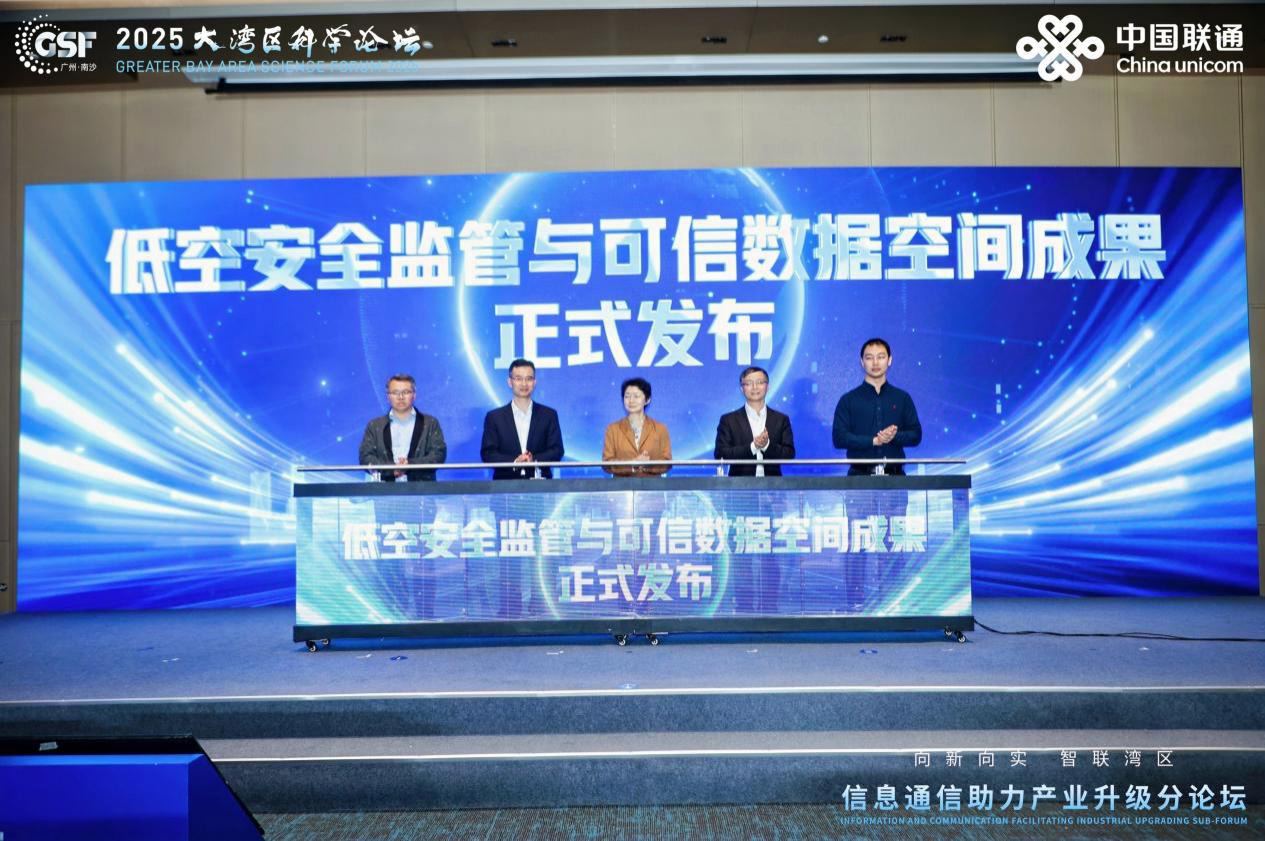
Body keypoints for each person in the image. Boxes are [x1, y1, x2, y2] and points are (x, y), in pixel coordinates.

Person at [832, 338, 922, 475]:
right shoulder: (848, 400)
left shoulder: (902, 398)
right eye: (869, 358)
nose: (875, 363)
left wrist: (894, 436)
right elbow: (839, 438)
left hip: (896, 478)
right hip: (859, 478)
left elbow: (916, 435)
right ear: (862, 362)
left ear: (889, 360)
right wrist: (873, 441)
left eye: (880, 357)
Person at [481, 358, 565, 479]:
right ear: (510, 382)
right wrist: (515, 461)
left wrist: (533, 460)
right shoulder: (494, 417)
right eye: (518, 378)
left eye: (529, 378)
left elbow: (557, 450)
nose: (524, 384)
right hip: (505, 486)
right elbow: (488, 454)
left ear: (534, 382)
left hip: (541, 486)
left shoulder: (549, 415)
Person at [358, 373, 447, 481]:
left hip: (422, 488)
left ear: (414, 395)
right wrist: (391, 470)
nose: (400, 397)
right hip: (384, 489)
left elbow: (438, 455)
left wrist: (410, 465)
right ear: (388, 397)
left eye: (405, 392)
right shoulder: (375, 425)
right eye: (395, 392)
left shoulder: (430, 423)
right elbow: (366, 457)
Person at [714, 365, 796, 477]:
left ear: (767, 387)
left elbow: (789, 454)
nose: (755, 387)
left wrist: (766, 445)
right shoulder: (729, 420)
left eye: (760, 382)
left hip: (773, 485)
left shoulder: (781, 419)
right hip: (739, 484)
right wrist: (753, 446)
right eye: (748, 383)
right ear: (742, 389)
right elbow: (720, 454)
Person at [602, 377, 672, 476]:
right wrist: (633, 464)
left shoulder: (660, 429)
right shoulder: (612, 429)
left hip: (652, 484)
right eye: (627, 396)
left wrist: (648, 465)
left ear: (647, 400)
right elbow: (607, 464)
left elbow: (667, 462)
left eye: (636, 396)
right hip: (622, 485)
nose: (631, 400)